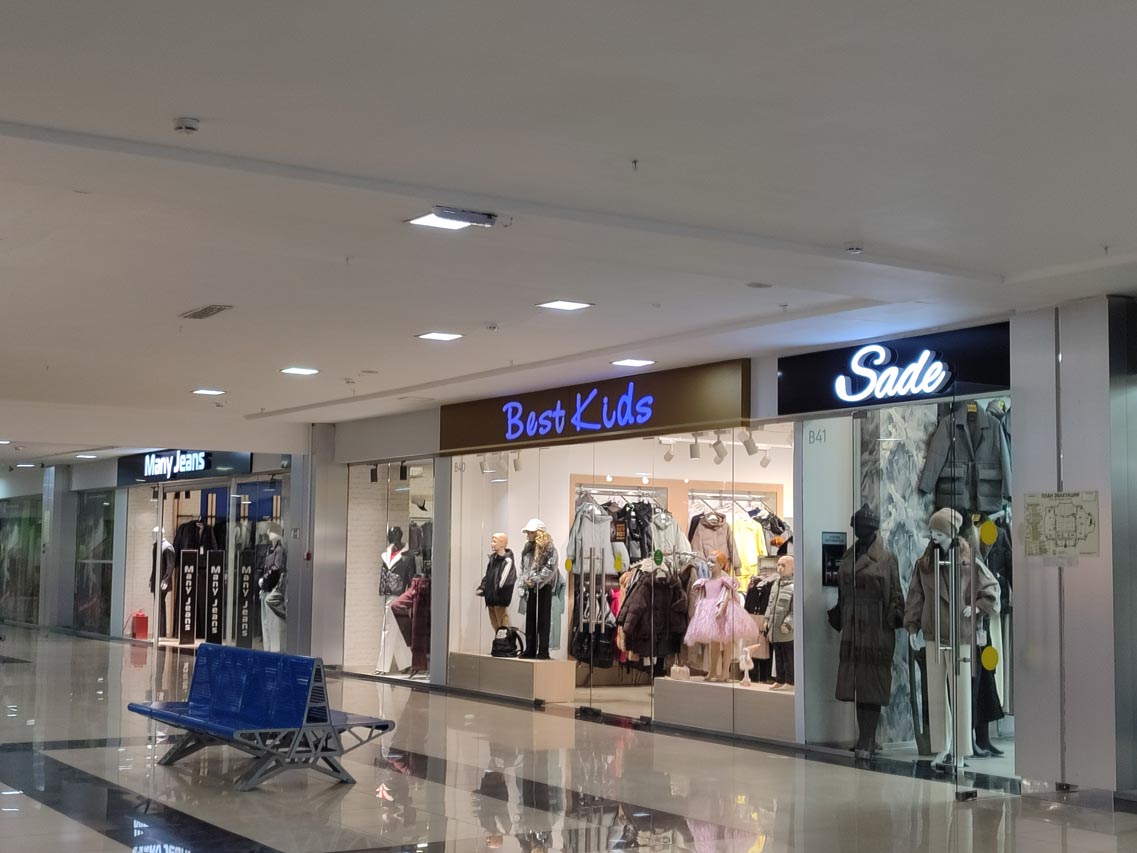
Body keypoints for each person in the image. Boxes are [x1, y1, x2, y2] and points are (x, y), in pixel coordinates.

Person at [518, 518, 557, 660]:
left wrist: (536, 580)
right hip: (531, 587)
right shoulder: (527, 549)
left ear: (538, 533)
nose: (528, 535)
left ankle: (543, 650)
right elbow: (523, 567)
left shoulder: (549, 549)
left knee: (543, 619)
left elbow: (550, 568)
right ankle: (530, 649)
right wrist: (525, 580)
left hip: (543, 587)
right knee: (530, 618)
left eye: (530, 532)